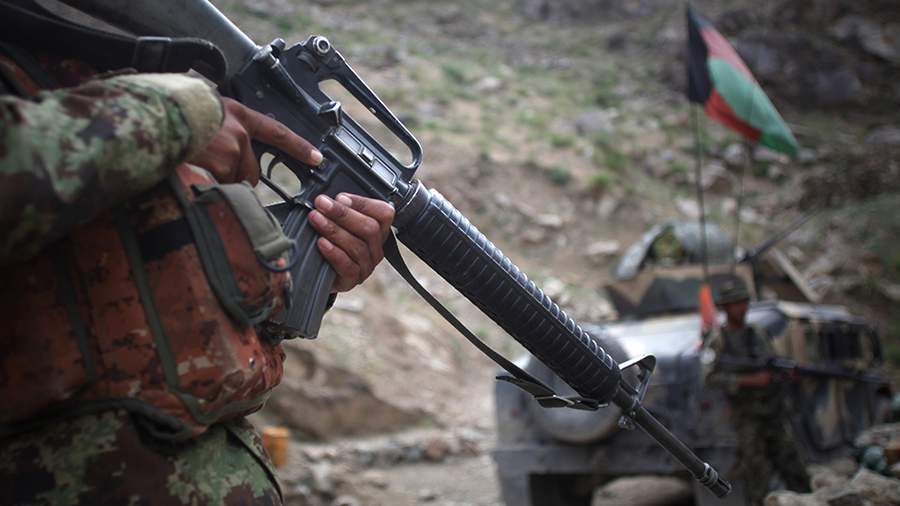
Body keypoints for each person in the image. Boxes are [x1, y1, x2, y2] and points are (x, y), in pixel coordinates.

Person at [0, 1, 393, 504]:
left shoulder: (82, 64)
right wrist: (181, 113)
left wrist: (308, 265)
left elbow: (156, 317)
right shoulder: (158, 107)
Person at [704, 277, 811, 505]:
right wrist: (749, 380)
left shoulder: (757, 333)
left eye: (743, 302)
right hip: (747, 416)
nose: (741, 308)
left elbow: (772, 363)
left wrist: (782, 375)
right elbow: (710, 378)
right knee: (756, 475)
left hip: (772, 411)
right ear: (725, 307)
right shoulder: (719, 340)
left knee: (793, 466)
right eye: (735, 303)